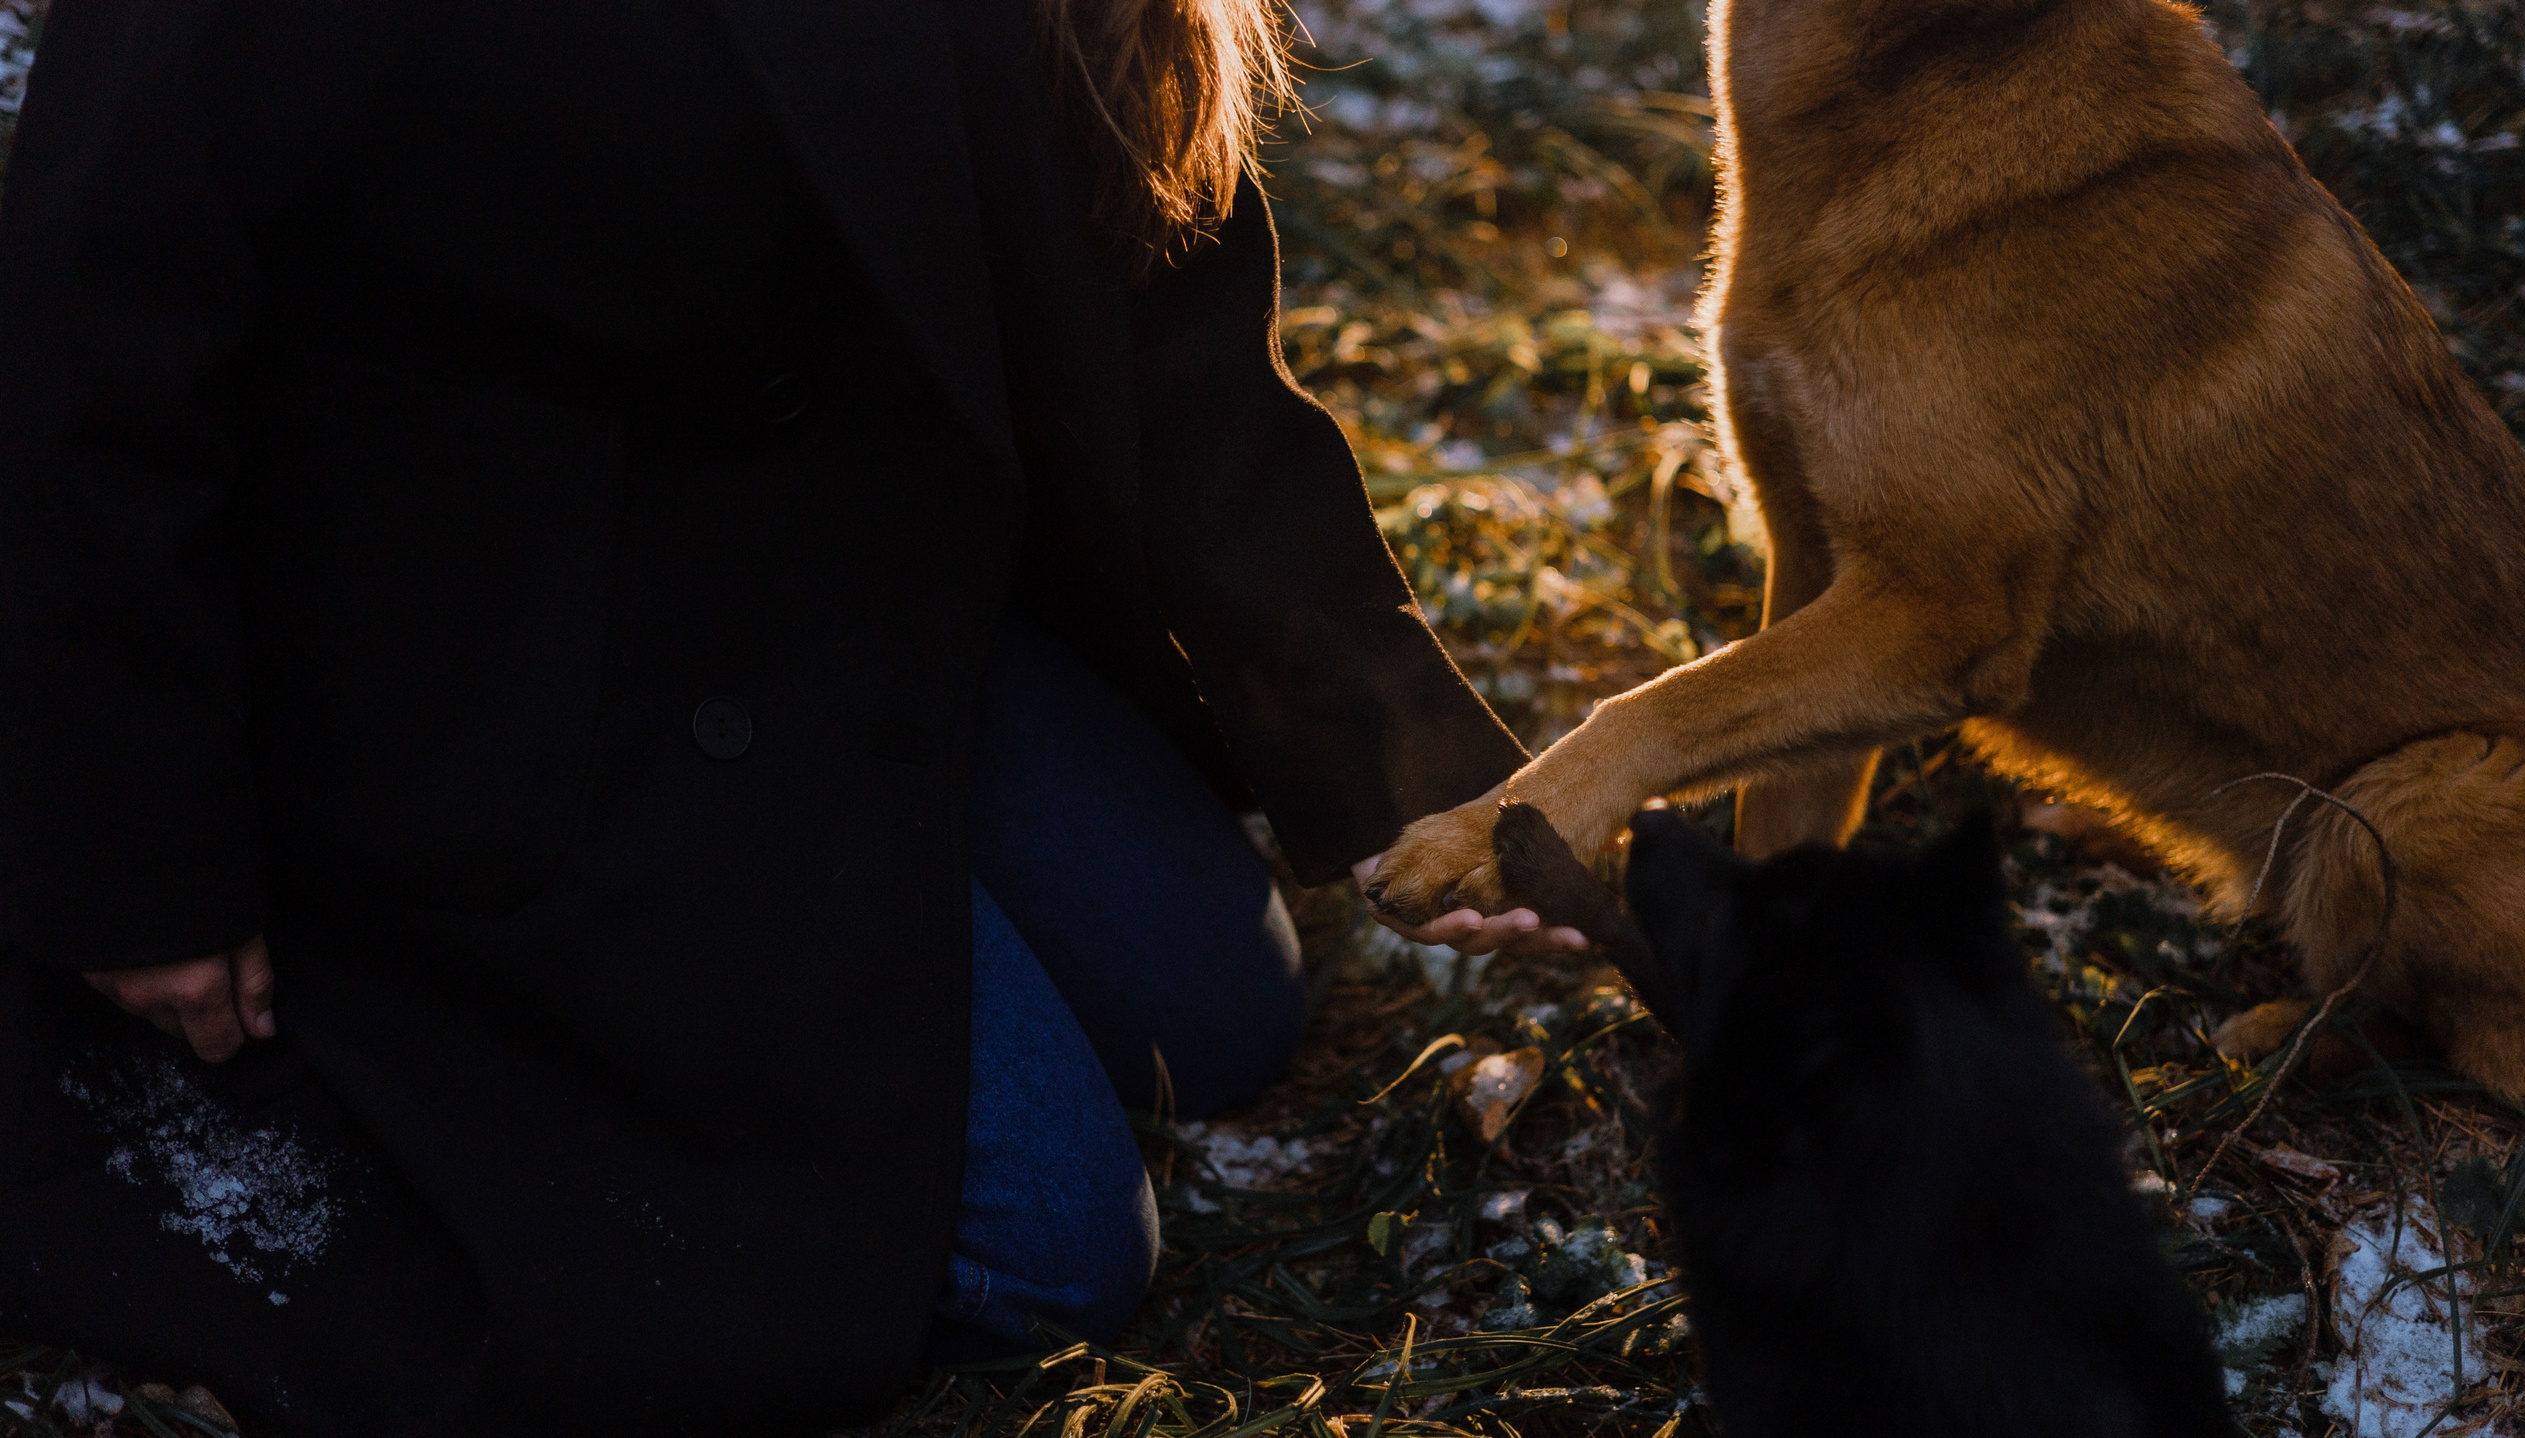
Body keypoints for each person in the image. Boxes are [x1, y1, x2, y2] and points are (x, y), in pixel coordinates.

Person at [0, 0, 1579, 1432]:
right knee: (1048, 1253)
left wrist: (1444, 788)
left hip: (838, 589)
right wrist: (141, 848)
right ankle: (211, 1147)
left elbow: (1175, 342)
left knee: (1216, 997)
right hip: (461, 668)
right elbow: (98, 309)